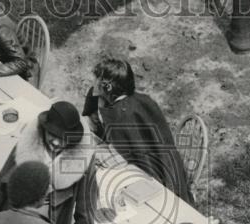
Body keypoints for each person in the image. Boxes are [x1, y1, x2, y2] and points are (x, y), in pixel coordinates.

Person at [0, 100, 98, 224]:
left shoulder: (83, 159)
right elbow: (2, 180)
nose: (56, 142)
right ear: (43, 128)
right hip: (12, 220)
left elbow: (86, 205)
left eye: (63, 138)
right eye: (52, 134)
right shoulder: (29, 143)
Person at [81, 58, 194, 204]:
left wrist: (94, 152)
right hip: (167, 166)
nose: (92, 82)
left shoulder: (121, 114)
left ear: (107, 87)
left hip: (157, 179)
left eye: (96, 79)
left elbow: (119, 159)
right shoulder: (140, 99)